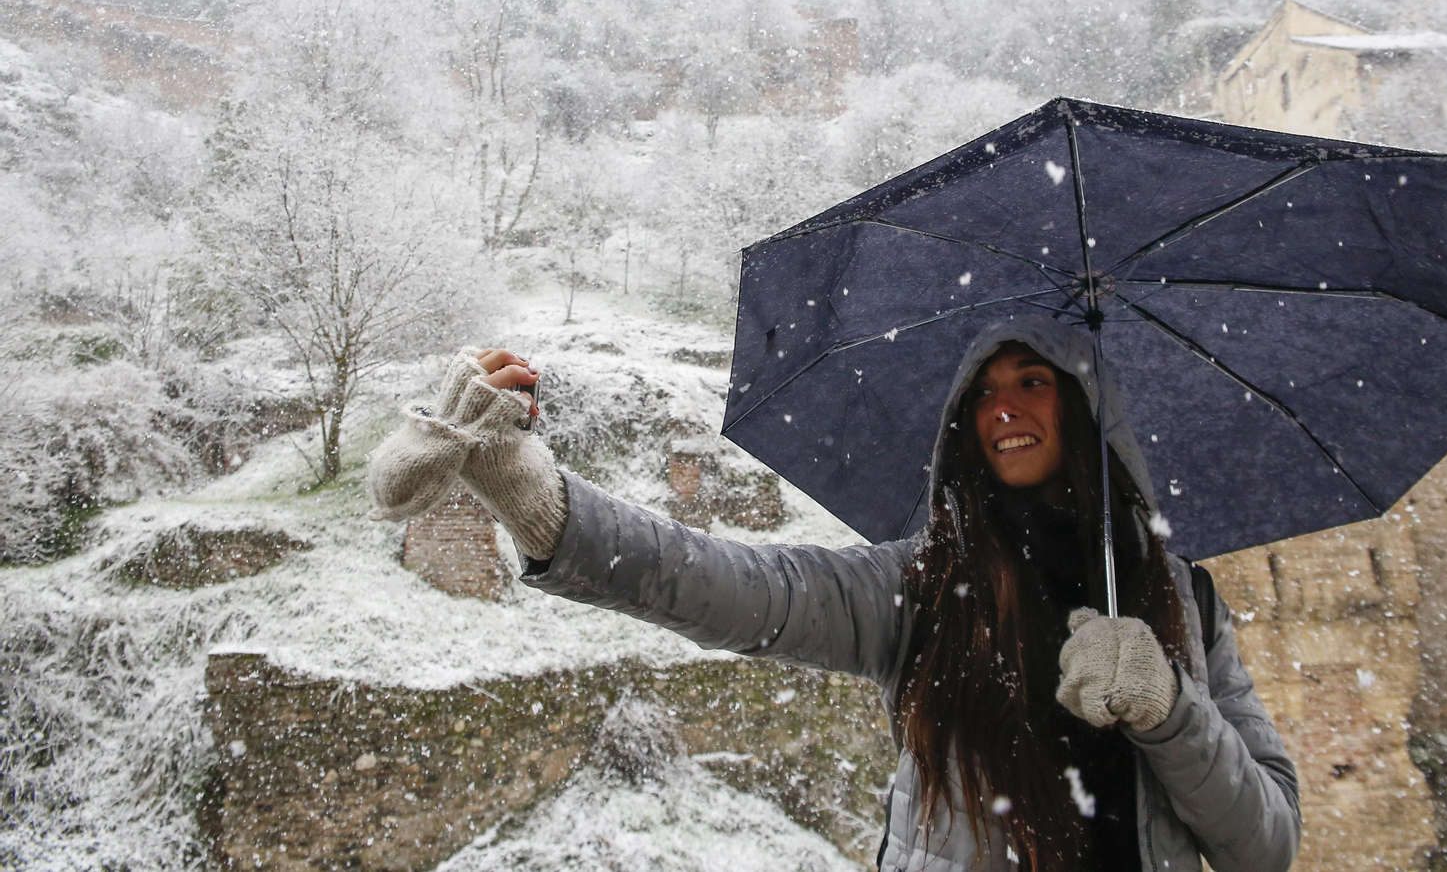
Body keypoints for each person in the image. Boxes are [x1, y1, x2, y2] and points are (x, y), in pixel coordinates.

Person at [367, 318, 1300, 872]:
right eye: (983, 392)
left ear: (1084, 410)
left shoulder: (1183, 602)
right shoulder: (924, 584)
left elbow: (1266, 843)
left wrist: (1168, 708)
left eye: (1035, 381)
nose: (1005, 406)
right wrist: (536, 502)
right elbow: (732, 586)